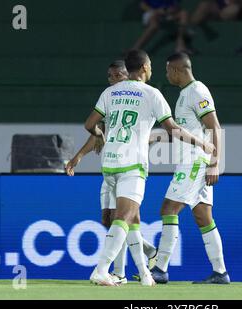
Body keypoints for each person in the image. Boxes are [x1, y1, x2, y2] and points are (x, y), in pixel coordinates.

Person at [84, 49, 216, 286]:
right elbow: (174, 128)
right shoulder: (152, 94)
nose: (156, 70)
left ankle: (146, 273)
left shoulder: (110, 91)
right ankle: (103, 269)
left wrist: (99, 135)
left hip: (109, 163)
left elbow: (90, 124)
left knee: (132, 217)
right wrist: (202, 143)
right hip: (132, 164)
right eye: (153, 66)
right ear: (144, 68)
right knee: (127, 216)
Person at [65, 60, 157, 285]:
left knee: (123, 217)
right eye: (109, 76)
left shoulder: (141, 97)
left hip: (129, 167)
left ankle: (123, 272)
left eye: (115, 75)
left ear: (126, 74)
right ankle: (145, 255)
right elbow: (98, 131)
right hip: (111, 168)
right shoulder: (112, 97)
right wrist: (78, 156)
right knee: (112, 219)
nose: (112, 79)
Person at [149, 52, 230, 284]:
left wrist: (215, 163)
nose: (166, 75)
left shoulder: (197, 91)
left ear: (176, 70)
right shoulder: (185, 94)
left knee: (168, 209)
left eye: (167, 70)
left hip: (196, 162)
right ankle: (220, 272)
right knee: (203, 216)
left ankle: (161, 269)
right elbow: (184, 133)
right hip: (194, 160)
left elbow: (215, 126)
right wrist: (153, 138)